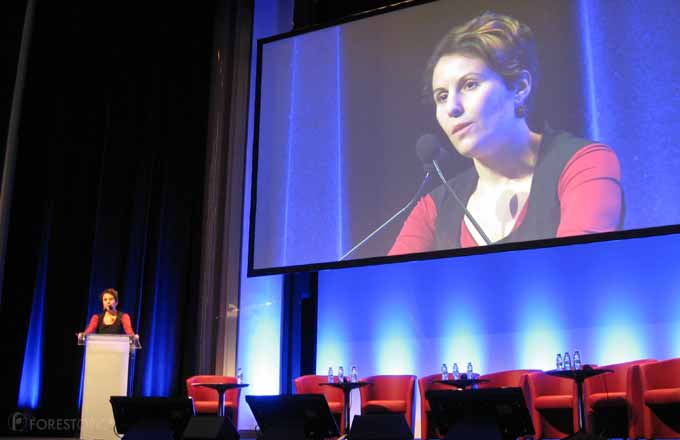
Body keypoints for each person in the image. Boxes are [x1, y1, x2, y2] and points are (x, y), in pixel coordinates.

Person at [389, 11, 623, 255]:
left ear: (520, 87)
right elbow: (390, 287)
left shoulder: (583, 163)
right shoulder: (433, 209)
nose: (452, 108)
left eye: (470, 84)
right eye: (442, 96)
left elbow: (577, 267)